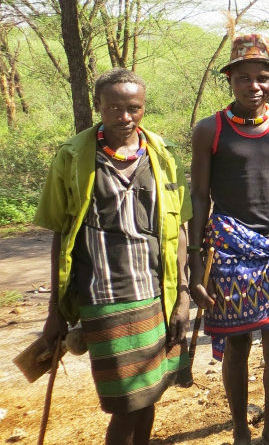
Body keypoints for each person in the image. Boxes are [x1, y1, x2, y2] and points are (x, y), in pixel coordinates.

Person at [35, 68, 192, 445]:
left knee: (151, 395)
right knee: (125, 404)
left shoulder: (163, 155)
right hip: (104, 300)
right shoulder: (72, 156)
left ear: (144, 107)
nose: (125, 117)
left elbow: (180, 230)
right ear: (98, 106)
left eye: (133, 108)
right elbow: (60, 233)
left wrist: (183, 297)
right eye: (114, 108)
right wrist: (55, 311)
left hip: (157, 296)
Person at [189, 34, 269, 445]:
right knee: (237, 346)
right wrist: (194, 260)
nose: (253, 86)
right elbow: (199, 196)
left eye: (262, 78)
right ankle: (240, 430)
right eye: (243, 78)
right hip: (229, 252)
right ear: (230, 81)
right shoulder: (210, 129)